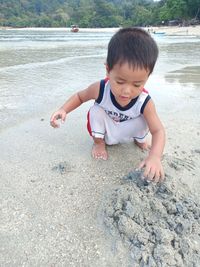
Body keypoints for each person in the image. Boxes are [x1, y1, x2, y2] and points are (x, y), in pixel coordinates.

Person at [50, 27, 165, 183]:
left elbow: (158, 130)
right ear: (108, 70)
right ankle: (99, 143)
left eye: (137, 84)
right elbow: (80, 96)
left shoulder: (144, 101)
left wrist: (155, 157)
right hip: (108, 131)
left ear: (147, 77)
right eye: (120, 81)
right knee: (96, 110)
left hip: (129, 129)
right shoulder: (100, 88)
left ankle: (139, 139)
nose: (127, 91)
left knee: (145, 117)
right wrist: (64, 109)